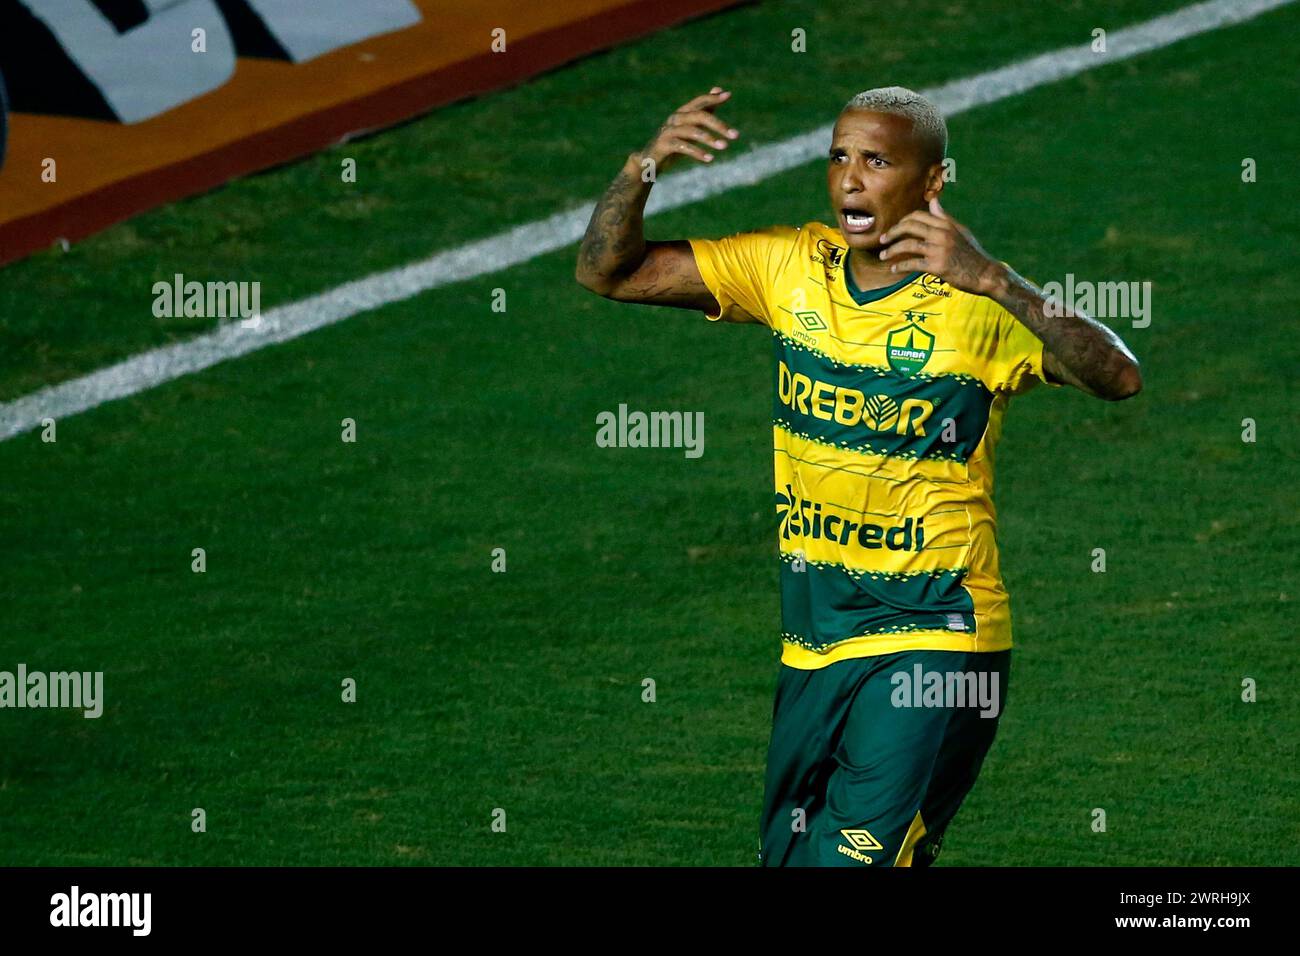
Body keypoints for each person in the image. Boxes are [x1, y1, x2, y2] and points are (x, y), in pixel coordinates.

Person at [575, 85, 1141, 866]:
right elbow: (609, 272)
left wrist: (997, 280)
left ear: (933, 181)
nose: (849, 179)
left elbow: (1118, 375)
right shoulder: (788, 267)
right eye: (839, 156)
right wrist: (644, 166)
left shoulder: (976, 304)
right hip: (815, 637)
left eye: (876, 160)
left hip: (937, 636)